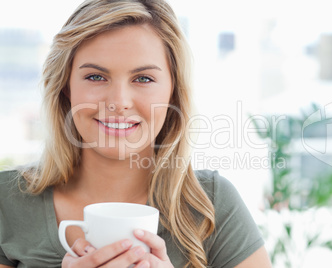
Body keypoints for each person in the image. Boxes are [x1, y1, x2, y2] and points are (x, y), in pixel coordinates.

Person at [0, 0, 272, 267]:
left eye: (143, 79)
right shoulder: (6, 201)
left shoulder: (210, 204)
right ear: (66, 87)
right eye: (96, 76)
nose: (119, 102)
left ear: (172, 93)